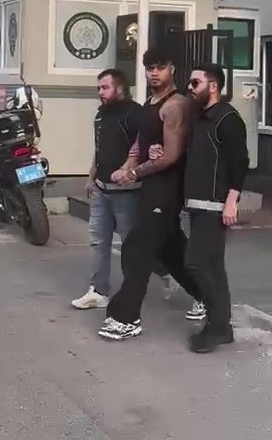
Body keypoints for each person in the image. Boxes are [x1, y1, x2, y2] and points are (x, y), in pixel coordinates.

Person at [98, 47, 203, 340]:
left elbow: (170, 156)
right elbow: (140, 142)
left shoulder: (175, 105)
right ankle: (209, 296)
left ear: (172, 68)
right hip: (151, 186)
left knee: (137, 250)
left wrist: (133, 173)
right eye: (149, 68)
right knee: (171, 250)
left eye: (160, 67)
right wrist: (128, 164)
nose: (154, 73)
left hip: (167, 188)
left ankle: (126, 317)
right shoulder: (150, 102)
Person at [151, 63, 249, 353]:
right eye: (190, 83)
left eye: (195, 83)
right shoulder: (198, 118)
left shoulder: (228, 119)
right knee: (213, 266)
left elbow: (240, 163)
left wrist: (231, 202)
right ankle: (222, 326)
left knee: (197, 263)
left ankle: (217, 327)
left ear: (213, 86)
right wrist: (159, 150)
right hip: (196, 205)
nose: (190, 88)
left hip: (215, 206)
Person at [72, 69, 176, 310]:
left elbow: (147, 146)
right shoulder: (100, 115)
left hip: (128, 193)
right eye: (98, 88)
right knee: (99, 241)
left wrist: (133, 169)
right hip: (101, 191)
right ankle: (98, 291)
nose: (100, 92)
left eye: (105, 87)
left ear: (119, 89)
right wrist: (91, 178)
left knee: (134, 246)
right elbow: (99, 149)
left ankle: (166, 273)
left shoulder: (135, 114)